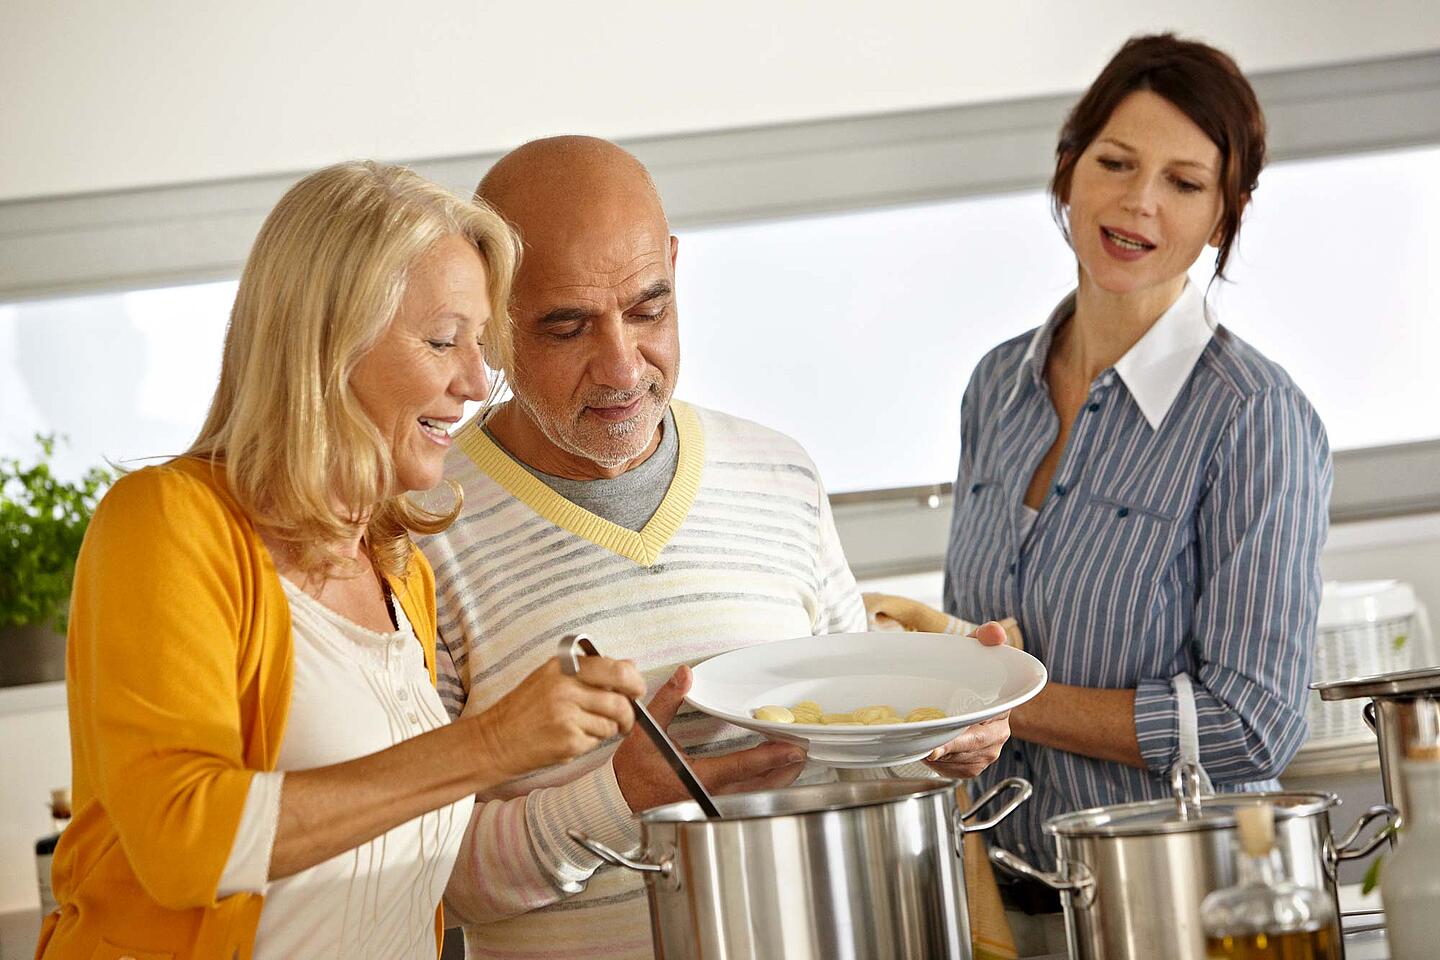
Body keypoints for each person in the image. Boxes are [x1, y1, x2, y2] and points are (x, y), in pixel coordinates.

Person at [417, 136, 1012, 959]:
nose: (623, 365)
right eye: (567, 327)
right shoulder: (419, 529)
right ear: (492, 320)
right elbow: (430, 877)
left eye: (648, 308)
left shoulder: (781, 472)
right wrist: (619, 795)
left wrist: (937, 743)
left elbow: (859, 771)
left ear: (673, 267)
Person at [37, 161, 645, 960]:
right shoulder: (167, 522)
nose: (474, 381)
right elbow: (184, 842)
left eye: (479, 343)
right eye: (442, 340)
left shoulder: (401, 574)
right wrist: (489, 745)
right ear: (324, 344)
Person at [943, 34, 1331, 953]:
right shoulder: (996, 386)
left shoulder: (1253, 417)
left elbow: (1252, 726)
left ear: (1223, 219)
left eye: (1185, 183)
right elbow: (981, 635)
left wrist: (1005, 698)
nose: (1139, 202)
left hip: (1189, 916)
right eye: (1115, 162)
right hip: (1009, 908)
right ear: (1068, 170)